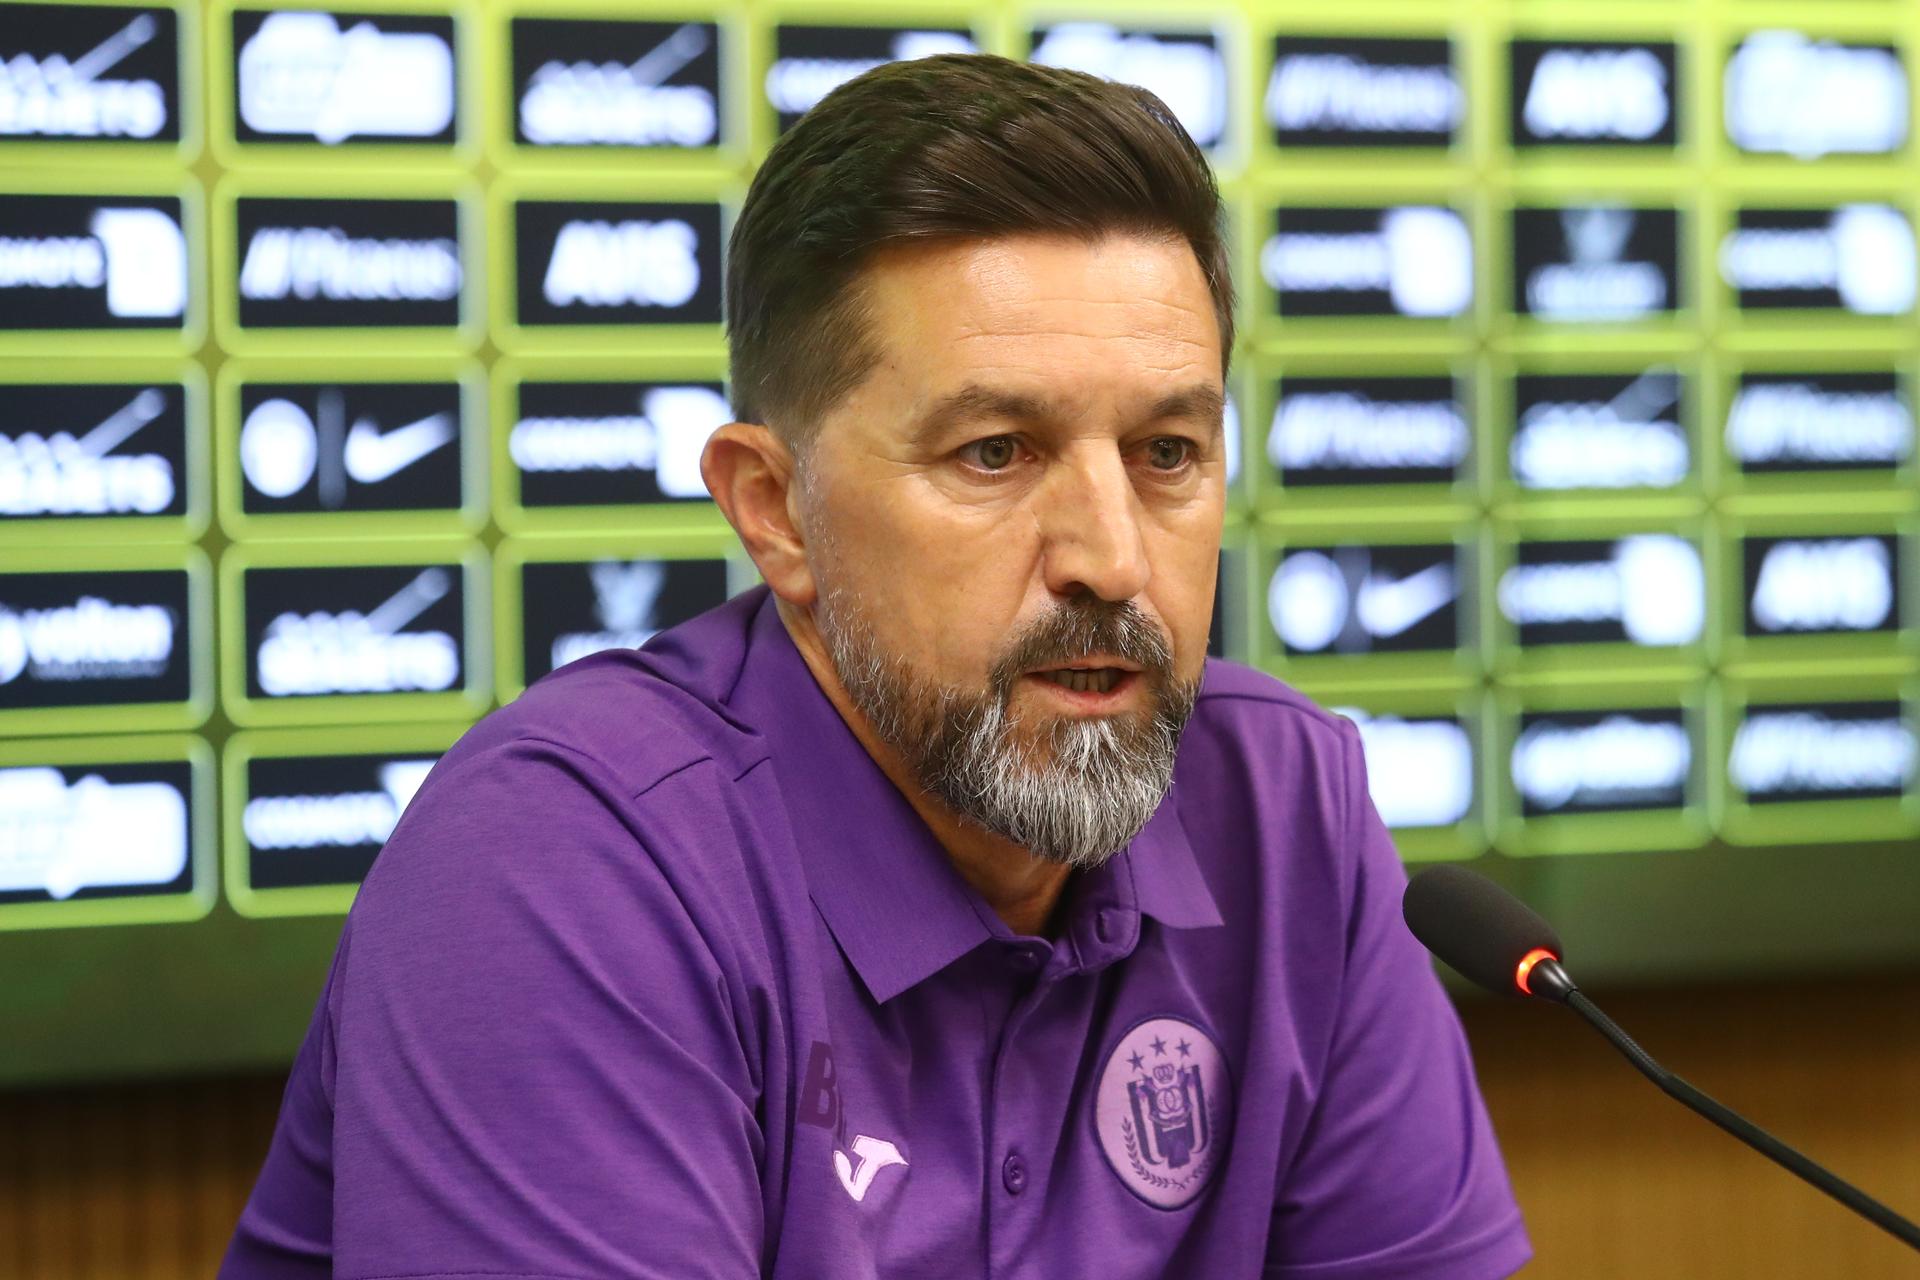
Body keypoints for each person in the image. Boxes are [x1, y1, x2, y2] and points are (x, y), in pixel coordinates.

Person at [221, 53, 1530, 1279]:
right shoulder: (560, 863)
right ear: (775, 511)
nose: (1113, 560)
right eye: (996, 453)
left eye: (1168, 453)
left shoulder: (1285, 804)